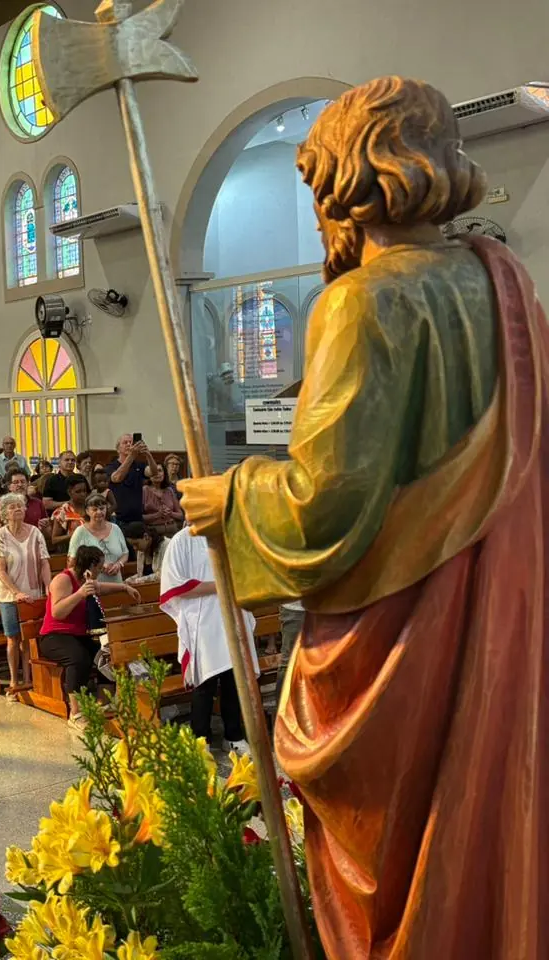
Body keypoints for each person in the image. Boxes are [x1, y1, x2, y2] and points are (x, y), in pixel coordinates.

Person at [177, 78, 549, 960]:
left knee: (403, 855)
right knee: (480, 814)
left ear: (350, 177)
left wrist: (228, 498)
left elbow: (325, 511)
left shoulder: (365, 301)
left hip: (402, 640)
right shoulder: (508, 285)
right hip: (499, 616)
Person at [158, 527, 256, 753]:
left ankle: (233, 735)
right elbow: (175, 585)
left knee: (234, 679)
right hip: (202, 620)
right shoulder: (181, 541)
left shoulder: (228, 534)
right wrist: (221, 585)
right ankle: (200, 739)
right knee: (205, 682)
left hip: (232, 615)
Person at [40, 546, 141, 730]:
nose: (101, 570)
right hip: (54, 636)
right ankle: (75, 713)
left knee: (107, 652)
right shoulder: (63, 580)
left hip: (79, 634)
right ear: (91, 565)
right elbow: (57, 612)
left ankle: (106, 702)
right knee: (78, 658)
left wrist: (124, 587)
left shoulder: (88, 579)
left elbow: (102, 588)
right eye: (100, 567)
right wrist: (79, 594)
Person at [0, 492, 51, 700]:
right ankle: (14, 683)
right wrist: (17, 593)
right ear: (4, 513)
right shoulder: (0, 535)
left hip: (33, 592)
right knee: (13, 638)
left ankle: (28, 679)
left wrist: (49, 587)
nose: (17, 509)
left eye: (20, 505)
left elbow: (44, 562)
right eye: (12, 506)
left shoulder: (35, 532)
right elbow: (0, 570)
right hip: (9, 596)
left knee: (29, 638)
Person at [69, 494, 129, 581]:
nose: (99, 512)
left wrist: (118, 564)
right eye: (94, 509)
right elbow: (72, 561)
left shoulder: (115, 528)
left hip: (116, 583)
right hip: (92, 585)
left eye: (102, 508)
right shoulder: (80, 532)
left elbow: (125, 553)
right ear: (87, 511)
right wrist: (99, 566)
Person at [106, 434, 157, 530]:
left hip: (137, 518)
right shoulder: (111, 466)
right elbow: (117, 478)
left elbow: (153, 472)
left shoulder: (138, 465)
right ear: (118, 449)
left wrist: (148, 454)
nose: (129, 444)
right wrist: (132, 456)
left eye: (131, 442)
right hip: (119, 519)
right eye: (125, 443)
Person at [141, 463, 183, 540]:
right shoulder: (144, 490)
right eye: (154, 471)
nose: (157, 474)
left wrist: (170, 513)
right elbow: (139, 517)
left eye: (160, 471)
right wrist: (157, 515)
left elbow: (180, 515)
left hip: (172, 531)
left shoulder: (169, 490)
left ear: (164, 473)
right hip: (153, 533)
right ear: (148, 475)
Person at [49, 474, 90, 551]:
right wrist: (74, 534)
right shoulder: (63, 512)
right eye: (78, 492)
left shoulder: (91, 508)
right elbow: (54, 540)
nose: (83, 494)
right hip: (73, 553)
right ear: (69, 492)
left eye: (84, 491)